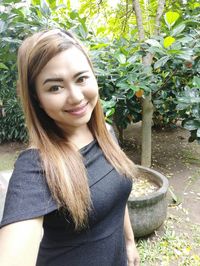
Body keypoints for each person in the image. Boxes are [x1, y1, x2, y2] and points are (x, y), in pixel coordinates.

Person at [0, 29, 140, 266]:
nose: (75, 96)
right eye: (55, 87)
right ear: (38, 100)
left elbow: (116, 197)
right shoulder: (37, 167)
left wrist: (129, 242)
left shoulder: (105, 132)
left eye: (81, 78)